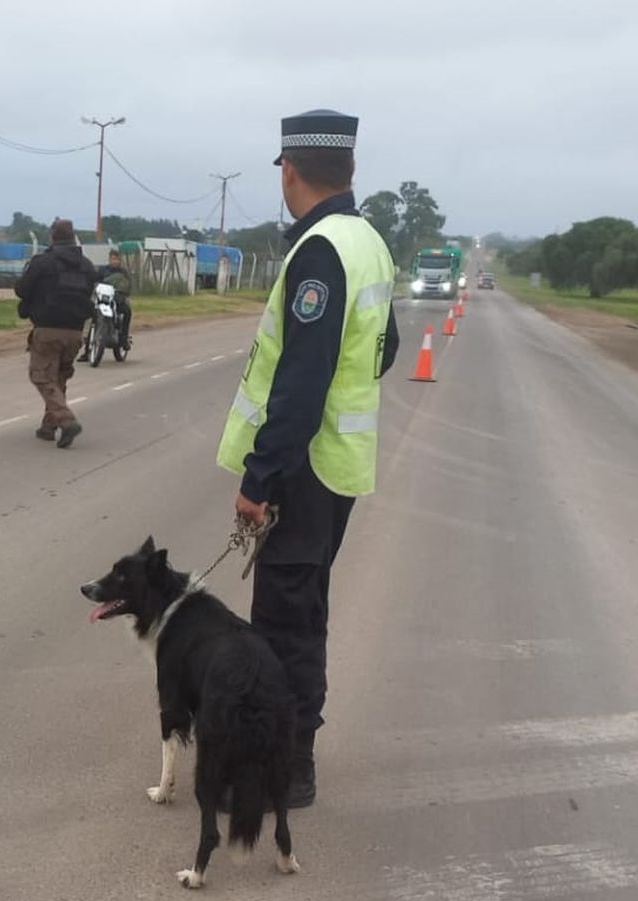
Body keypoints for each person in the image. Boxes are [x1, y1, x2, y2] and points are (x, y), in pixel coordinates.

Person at [215, 109, 401, 809]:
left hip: (305, 470)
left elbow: (299, 380)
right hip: (338, 469)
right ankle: (293, 761)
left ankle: (283, 771)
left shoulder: (320, 250)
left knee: (284, 627)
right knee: (305, 613)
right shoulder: (368, 243)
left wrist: (260, 478)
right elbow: (381, 348)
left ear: (289, 171)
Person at [15, 218, 96, 448]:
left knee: (41, 376)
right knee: (59, 376)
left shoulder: (43, 263)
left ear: (52, 237)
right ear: (73, 238)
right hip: (76, 332)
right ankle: (49, 426)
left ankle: (66, 421)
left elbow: (22, 289)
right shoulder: (87, 266)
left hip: (47, 330)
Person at [79, 248, 134, 361]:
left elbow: (128, 286)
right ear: (109, 259)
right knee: (94, 319)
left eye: (116, 259)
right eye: (112, 258)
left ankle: (123, 339)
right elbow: (94, 281)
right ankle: (87, 351)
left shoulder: (123, 273)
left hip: (117, 300)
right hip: (102, 300)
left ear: (120, 260)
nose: (114, 261)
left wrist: (123, 293)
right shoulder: (102, 271)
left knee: (127, 311)